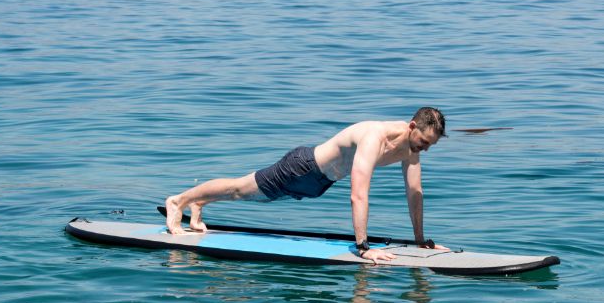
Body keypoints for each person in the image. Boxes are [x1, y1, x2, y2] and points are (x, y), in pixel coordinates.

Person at [164, 107, 446, 264]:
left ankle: (199, 204)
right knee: (241, 190)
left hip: (319, 183)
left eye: (430, 145)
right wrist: (363, 247)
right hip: (301, 168)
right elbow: (358, 195)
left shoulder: (412, 149)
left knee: (248, 195)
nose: (425, 149)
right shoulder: (374, 137)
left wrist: (420, 241)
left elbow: (414, 194)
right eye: (424, 142)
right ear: (411, 126)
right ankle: (179, 201)